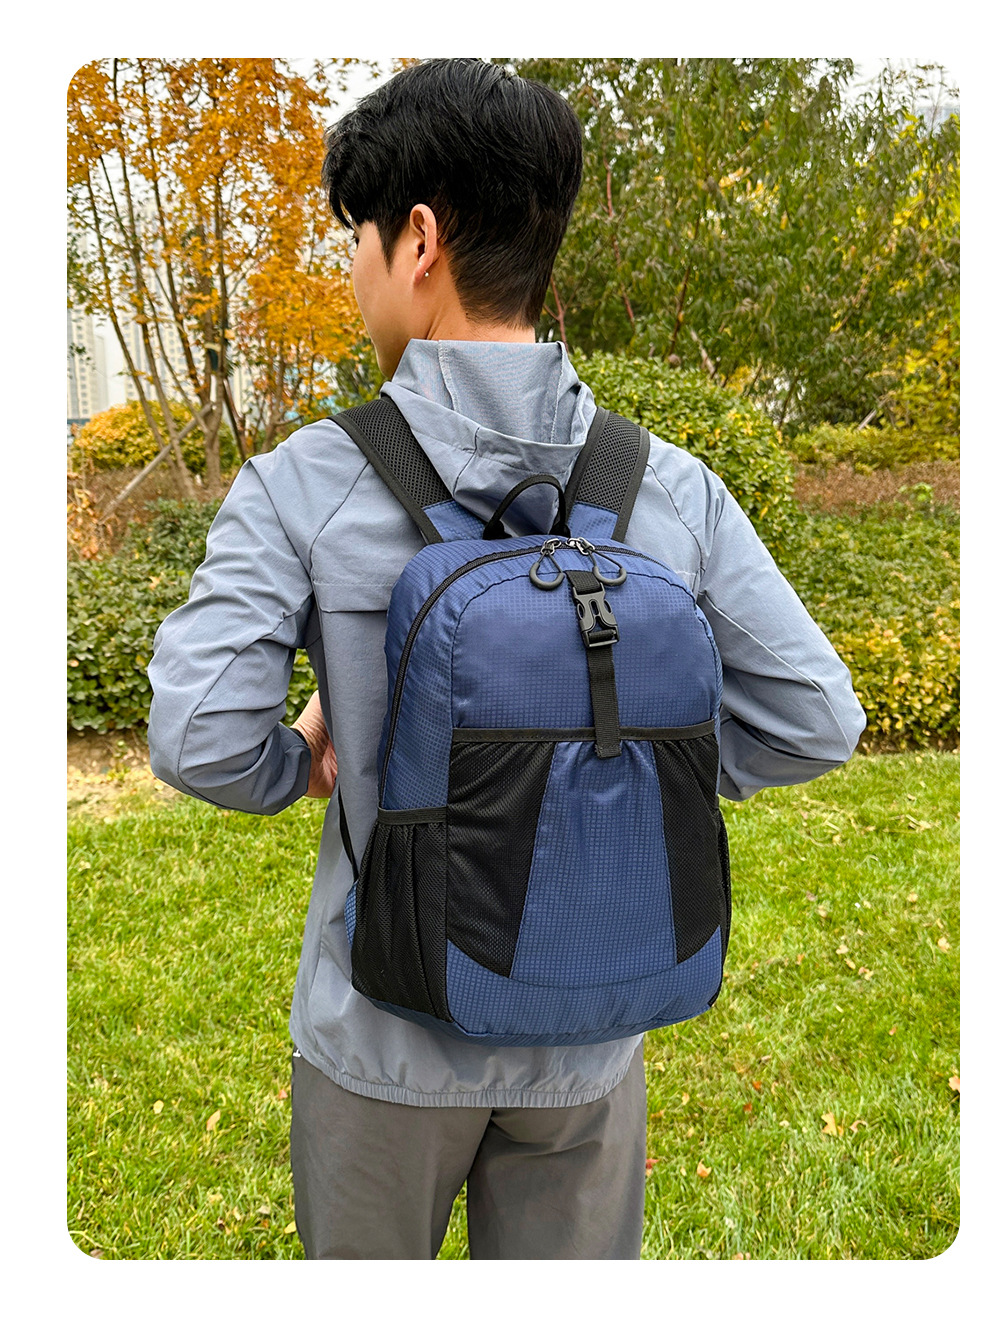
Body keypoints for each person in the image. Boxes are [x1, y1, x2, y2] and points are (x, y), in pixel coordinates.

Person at [147, 57, 866, 1261]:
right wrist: (641, 767)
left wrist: (302, 762)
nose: (354, 269)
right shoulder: (666, 484)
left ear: (419, 241)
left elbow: (199, 742)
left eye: (358, 238)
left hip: (381, 1034)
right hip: (594, 1036)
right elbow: (815, 719)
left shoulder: (306, 483)